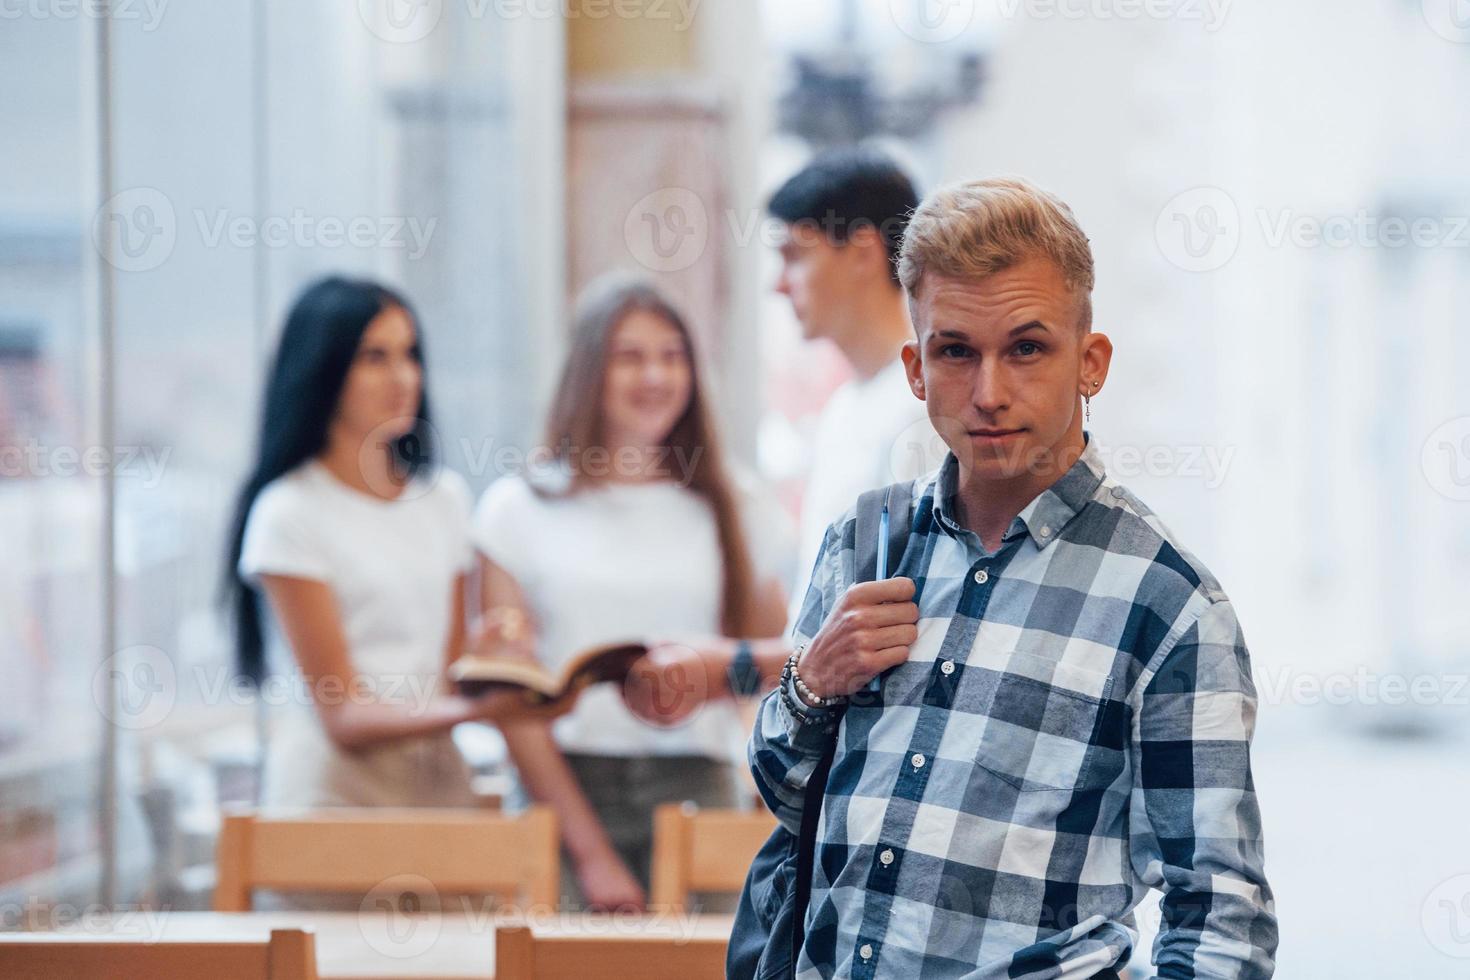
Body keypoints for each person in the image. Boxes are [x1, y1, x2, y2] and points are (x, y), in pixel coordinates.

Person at [749, 177, 1278, 978]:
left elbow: (1220, 919)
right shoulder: (865, 542)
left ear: (1090, 362)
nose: (989, 393)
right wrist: (810, 685)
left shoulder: (1167, 606)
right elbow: (788, 798)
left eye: (1026, 348)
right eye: (956, 351)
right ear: (917, 368)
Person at [470, 274, 790, 910]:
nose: (655, 376)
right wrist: (591, 854)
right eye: (631, 356)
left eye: (672, 356)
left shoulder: (737, 503)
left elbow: (775, 666)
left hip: (700, 787)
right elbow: (509, 698)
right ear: (589, 369)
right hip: (562, 795)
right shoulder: (518, 510)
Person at [620, 147, 946, 720]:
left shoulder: (922, 413)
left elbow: (901, 631)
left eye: (795, 255)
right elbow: (818, 618)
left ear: (864, 252)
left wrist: (730, 667)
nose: (778, 286)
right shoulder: (845, 408)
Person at [225, 276, 542, 812]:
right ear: (323, 369)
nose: (402, 377)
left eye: (409, 354)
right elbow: (343, 714)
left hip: (438, 789)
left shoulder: (443, 499)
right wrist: (481, 713)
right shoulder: (289, 511)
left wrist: (491, 662)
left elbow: (443, 676)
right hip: (332, 798)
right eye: (374, 356)